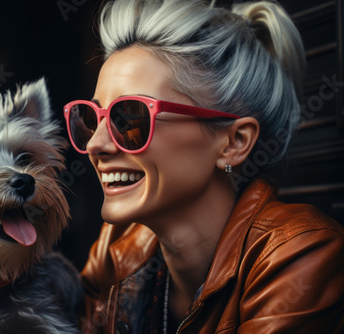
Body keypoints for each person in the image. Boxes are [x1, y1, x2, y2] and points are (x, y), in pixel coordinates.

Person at [63, 0, 344, 333]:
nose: (96, 144)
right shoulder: (118, 248)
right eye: (92, 118)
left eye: (130, 117)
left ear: (234, 142)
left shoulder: (299, 256)